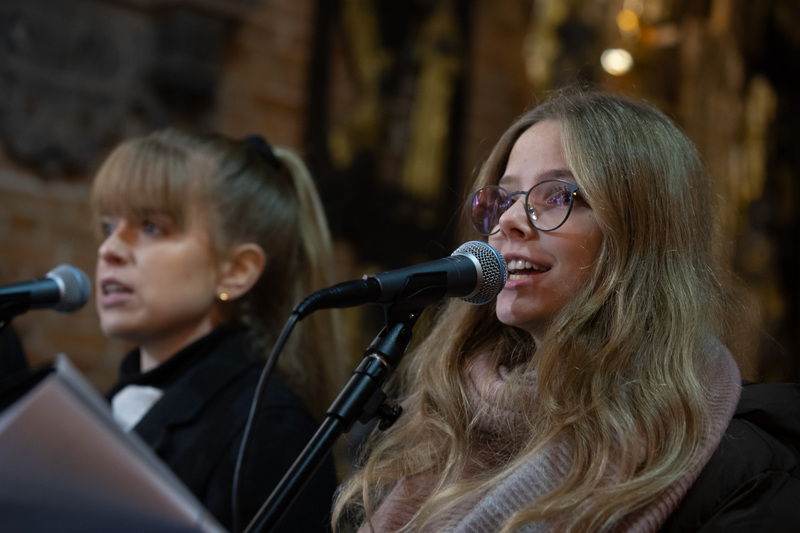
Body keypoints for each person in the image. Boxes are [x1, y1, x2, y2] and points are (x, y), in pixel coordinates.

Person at [332, 90, 800, 532]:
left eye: (557, 196)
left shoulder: (747, 471)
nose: (509, 221)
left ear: (640, 233)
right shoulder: (450, 426)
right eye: (504, 198)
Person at [91, 129, 349, 532]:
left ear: (236, 271)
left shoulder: (269, 427)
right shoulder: (102, 407)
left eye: (151, 227)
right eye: (109, 227)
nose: (109, 249)